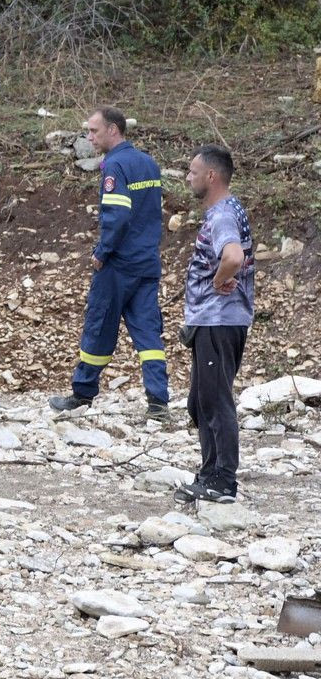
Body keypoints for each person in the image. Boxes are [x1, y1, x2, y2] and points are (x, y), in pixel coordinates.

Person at [50, 107, 169, 419]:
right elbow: (152, 214)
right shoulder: (148, 163)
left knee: (99, 325)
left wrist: (102, 253)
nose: (90, 137)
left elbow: (117, 217)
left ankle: (81, 394)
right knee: (148, 333)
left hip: (118, 265)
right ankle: (158, 402)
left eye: (94, 131)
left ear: (113, 130)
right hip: (147, 263)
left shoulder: (114, 165)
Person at [175, 145, 255, 505]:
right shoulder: (228, 209)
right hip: (213, 321)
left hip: (219, 321)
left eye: (192, 171)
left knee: (214, 399)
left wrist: (220, 280)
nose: (187, 177)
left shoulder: (222, 214)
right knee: (199, 401)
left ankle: (223, 480)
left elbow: (233, 255)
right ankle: (209, 474)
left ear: (212, 176)